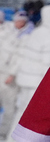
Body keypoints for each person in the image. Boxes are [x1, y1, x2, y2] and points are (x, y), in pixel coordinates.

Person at [5, 4, 50, 141]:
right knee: (29, 115)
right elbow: (48, 64)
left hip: (25, 80)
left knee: (20, 112)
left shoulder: (38, 31)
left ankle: (11, 138)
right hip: (36, 83)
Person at [0, 12, 32, 140]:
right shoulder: (9, 30)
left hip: (10, 76)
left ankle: (3, 132)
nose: (16, 23)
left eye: (19, 21)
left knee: (9, 105)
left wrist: (12, 74)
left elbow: (20, 58)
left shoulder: (27, 35)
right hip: (1, 71)